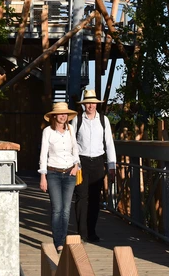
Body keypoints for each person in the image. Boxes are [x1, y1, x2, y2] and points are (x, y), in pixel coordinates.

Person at [71, 89, 117, 243]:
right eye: (87, 103)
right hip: (82, 162)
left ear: (97, 105)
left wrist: (112, 166)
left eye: (92, 103)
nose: (90, 106)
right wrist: (76, 162)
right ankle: (81, 232)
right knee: (81, 197)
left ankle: (92, 232)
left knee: (95, 199)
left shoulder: (104, 120)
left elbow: (109, 144)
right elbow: (73, 144)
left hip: (98, 162)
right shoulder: (77, 120)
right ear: (84, 105)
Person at [38, 102, 80, 252]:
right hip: (53, 173)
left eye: (65, 114)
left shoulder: (71, 130)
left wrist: (76, 165)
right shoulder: (47, 132)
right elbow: (43, 154)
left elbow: (75, 148)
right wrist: (43, 176)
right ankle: (58, 242)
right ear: (54, 116)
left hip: (69, 173)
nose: (63, 116)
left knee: (66, 209)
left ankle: (63, 239)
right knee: (57, 209)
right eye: (60, 114)